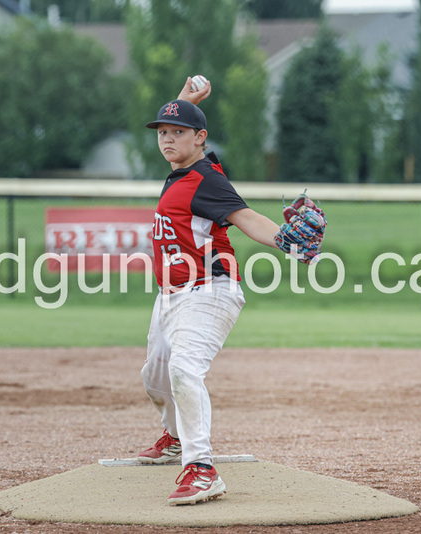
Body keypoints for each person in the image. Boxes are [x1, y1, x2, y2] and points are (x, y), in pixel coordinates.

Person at [136, 78, 317, 505]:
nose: (167, 139)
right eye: (162, 132)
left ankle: (201, 469)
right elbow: (179, 127)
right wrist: (183, 103)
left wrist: (286, 240)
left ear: (201, 138)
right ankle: (176, 437)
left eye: (178, 132)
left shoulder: (207, 179)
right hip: (170, 295)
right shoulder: (181, 172)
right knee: (154, 377)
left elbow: (246, 217)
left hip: (209, 290)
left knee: (184, 369)